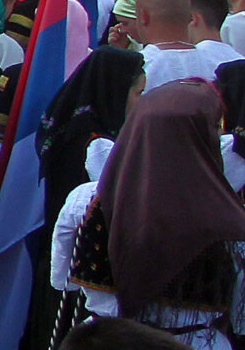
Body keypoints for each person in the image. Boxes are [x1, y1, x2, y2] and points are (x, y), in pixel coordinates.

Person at [51, 79, 245, 347]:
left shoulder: (86, 200)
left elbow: (62, 279)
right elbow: (240, 316)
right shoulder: (229, 219)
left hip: (105, 341)